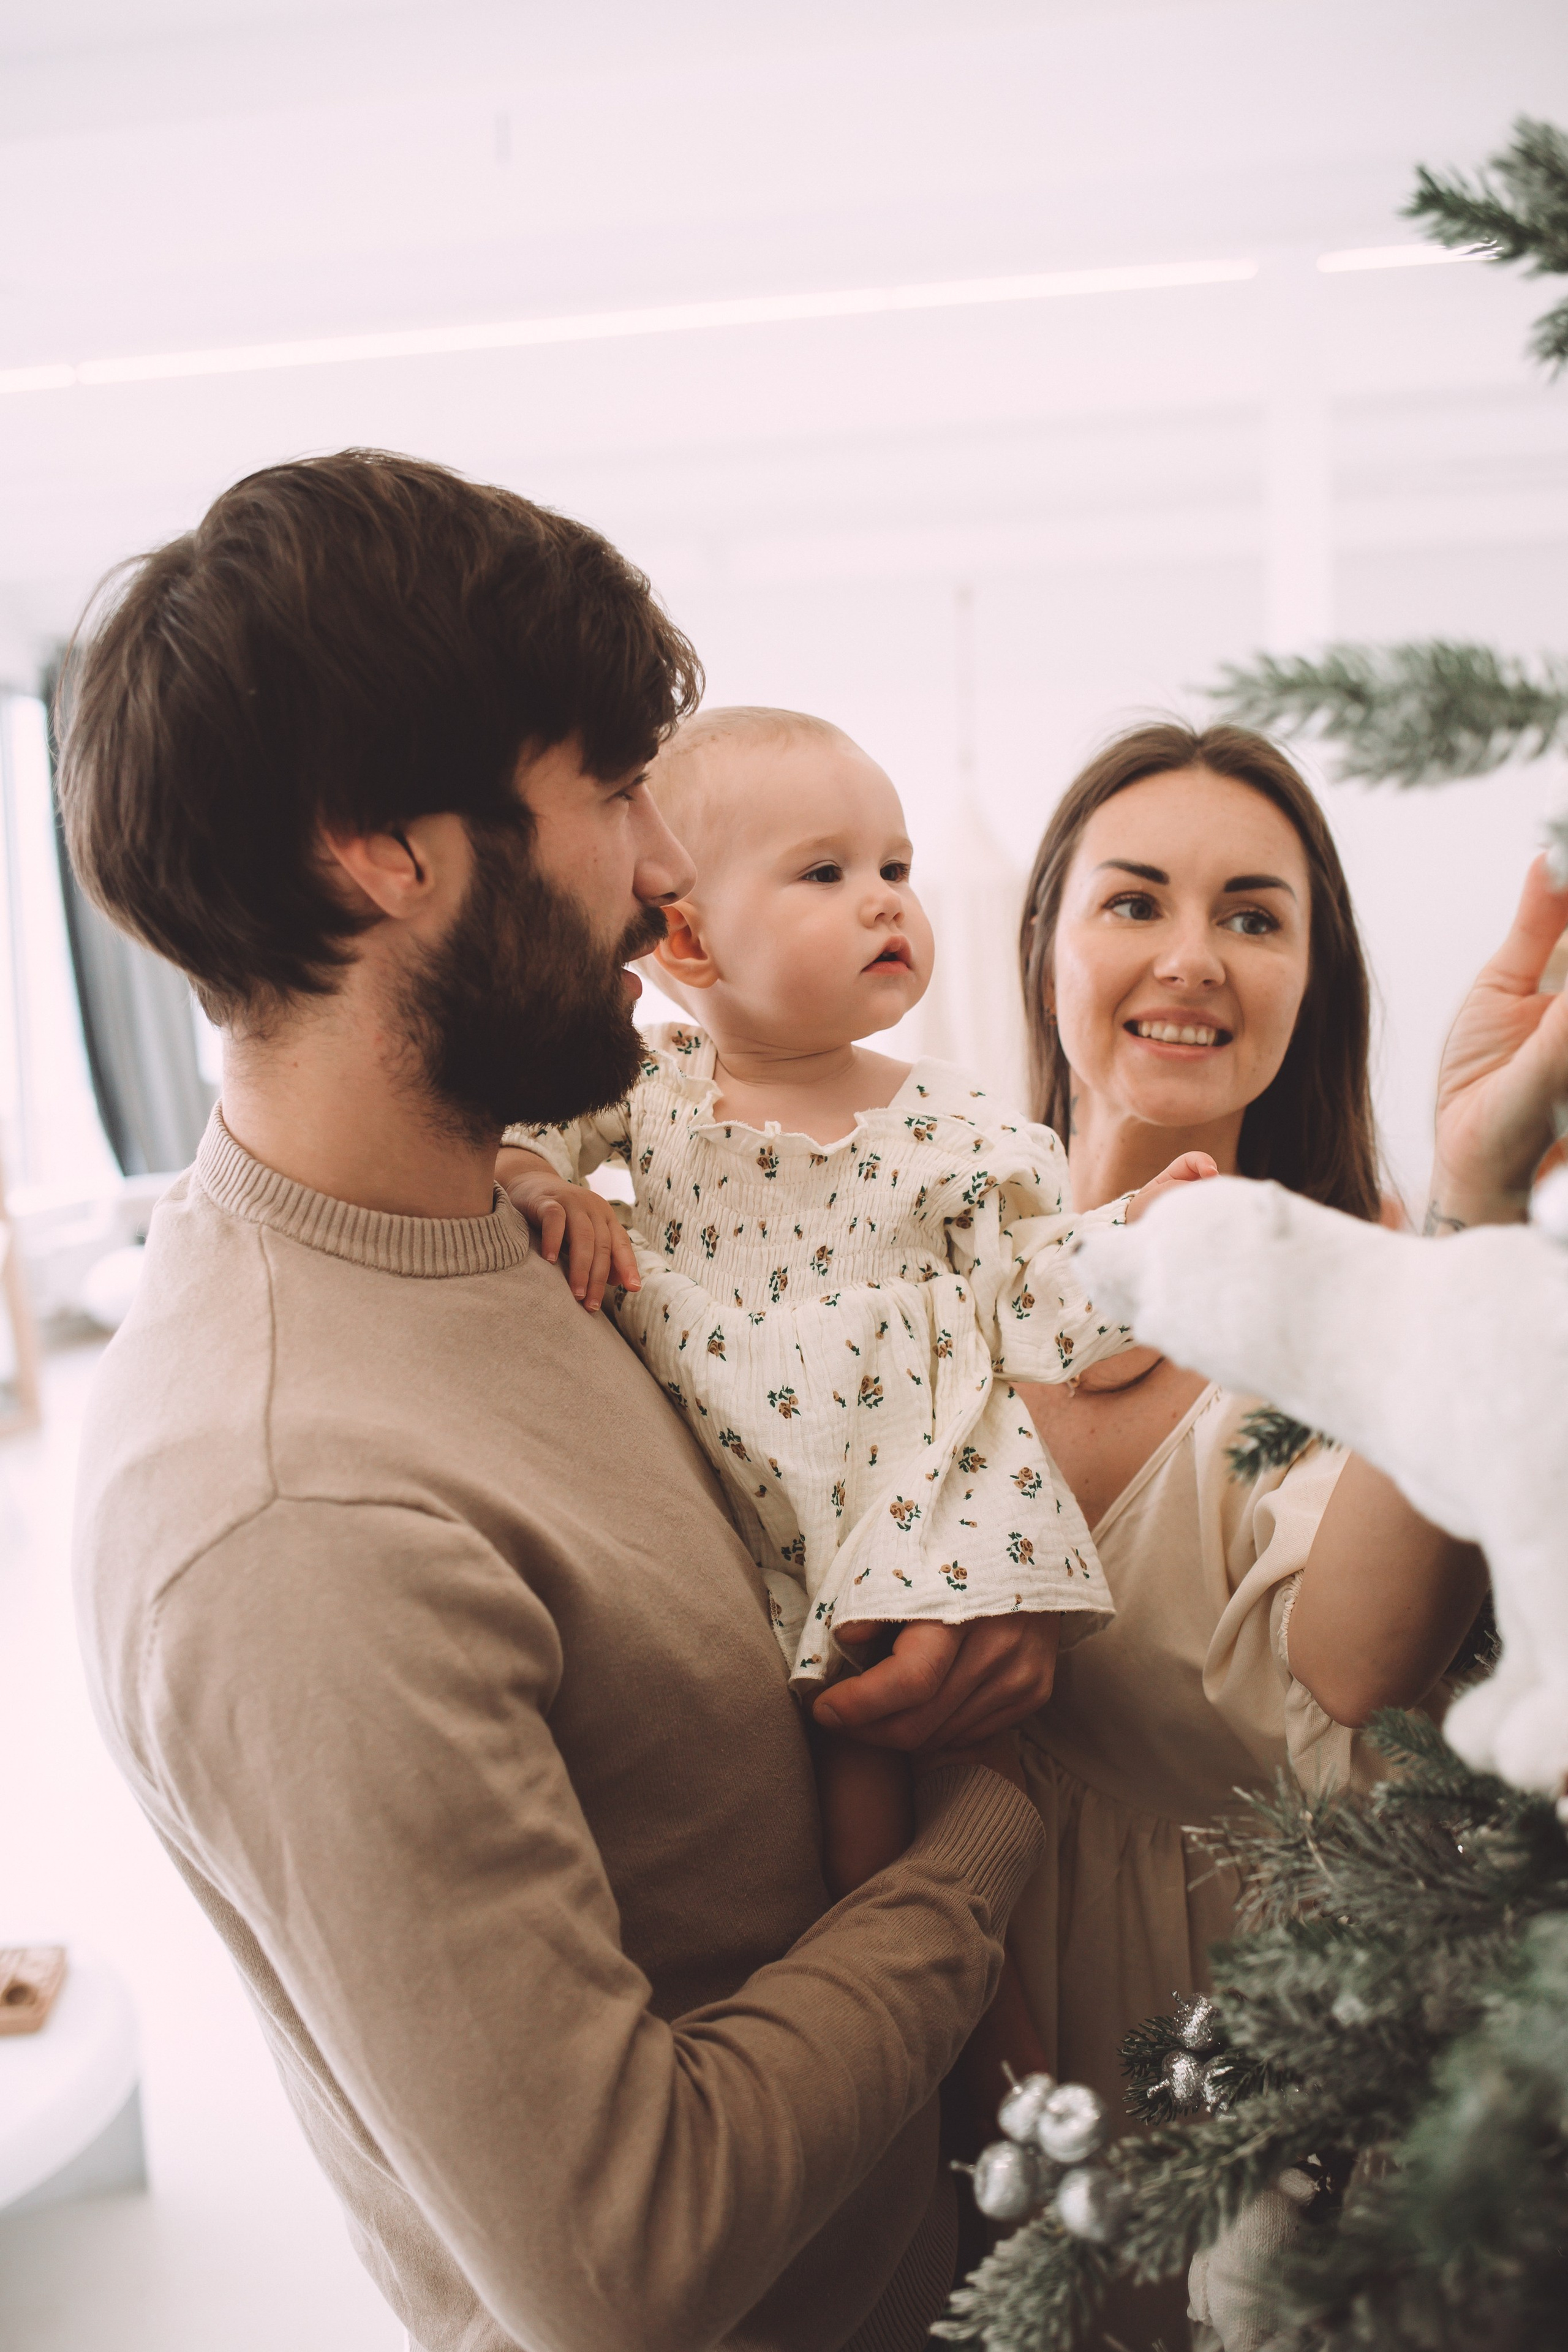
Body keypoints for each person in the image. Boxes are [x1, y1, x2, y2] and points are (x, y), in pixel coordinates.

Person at [59, 451, 1058, 2352]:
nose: (668, 872)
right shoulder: (292, 1513)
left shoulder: (521, 1215)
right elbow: (622, 2260)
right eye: (609, 792)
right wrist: (986, 1832)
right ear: (381, 848)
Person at [494, 705, 1210, 1896]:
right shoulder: (648, 1083)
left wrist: (1141, 1243)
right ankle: (902, 1985)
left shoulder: (953, 1119)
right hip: (719, 1466)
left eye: (896, 868)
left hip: (904, 1476)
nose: (884, 902)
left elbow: (1025, 1294)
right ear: (688, 939)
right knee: (790, 1800)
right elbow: (519, 1138)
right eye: (825, 874)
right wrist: (539, 1182)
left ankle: (972, 1996)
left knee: (933, 1752)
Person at [1001, 721, 1489, 2348]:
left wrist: (1477, 1211)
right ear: (1047, 946)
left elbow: (1350, 1670)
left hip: (1245, 2075)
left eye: (1254, 917)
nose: (1193, 958)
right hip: (951, 2019)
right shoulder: (927, 1271)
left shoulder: (1367, 1317)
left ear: (1310, 983)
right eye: (1135, 901)